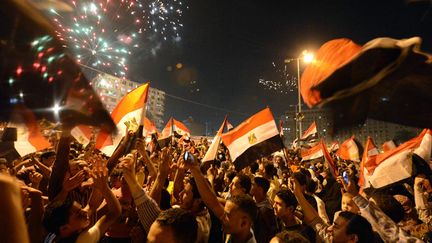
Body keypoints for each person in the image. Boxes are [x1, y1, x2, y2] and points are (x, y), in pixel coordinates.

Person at [43, 159, 121, 243]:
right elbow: (114, 213)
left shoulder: (55, 233)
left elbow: (91, 206)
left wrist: (99, 184)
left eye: (81, 209)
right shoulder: (82, 240)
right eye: (78, 214)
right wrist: (105, 187)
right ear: (65, 228)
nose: (85, 212)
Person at [250, 176, 278, 243]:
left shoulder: (265, 210)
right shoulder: (256, 202)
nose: (251, 187)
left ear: (260, 189)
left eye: (253, 185)